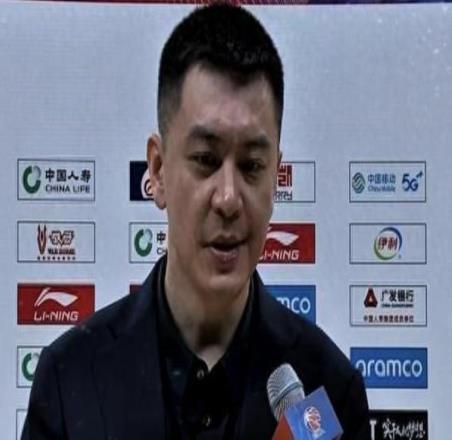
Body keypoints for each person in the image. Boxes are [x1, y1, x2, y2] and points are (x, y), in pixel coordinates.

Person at [22, 4, 370, 439]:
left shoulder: (329, 390)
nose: (228, 198)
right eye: (206, 160)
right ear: (158, 170)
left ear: (276, 178)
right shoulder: (70, 380)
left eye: (252, 166)